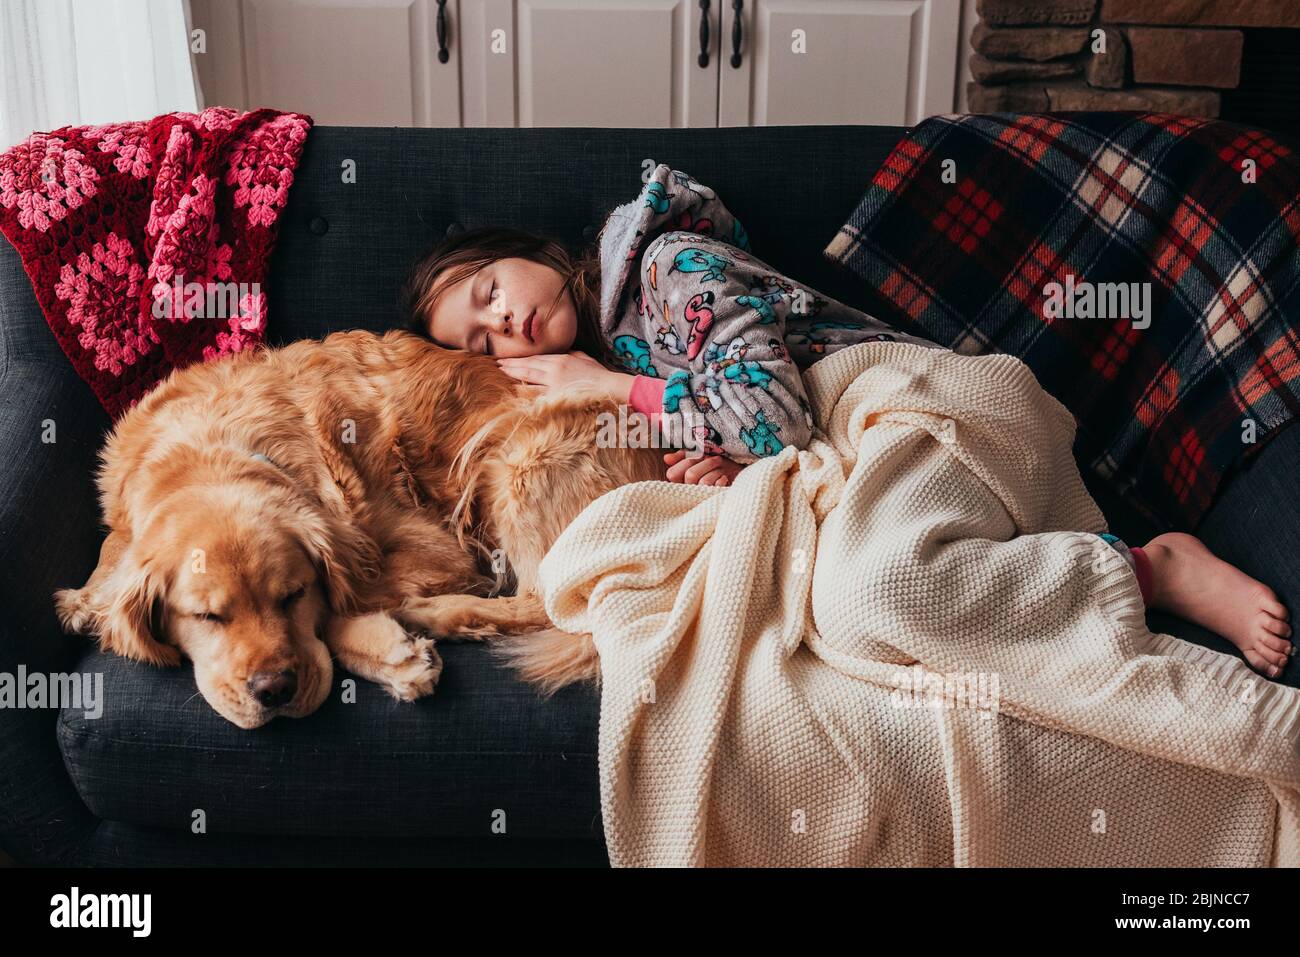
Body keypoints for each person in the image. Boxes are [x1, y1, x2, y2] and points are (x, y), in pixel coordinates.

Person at [399, 163, 1292, 679]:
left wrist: (608, 388)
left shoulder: (666, 268)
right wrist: (729, 468)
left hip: (908, 400)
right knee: (856, 617)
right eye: (478, 339)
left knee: (877, 589)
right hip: (837, 460)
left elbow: (776, 418)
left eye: (490, 292)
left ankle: (1147, 567)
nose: (502, 324)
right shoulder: (628, 349)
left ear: (518, 253)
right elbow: (744, 436)